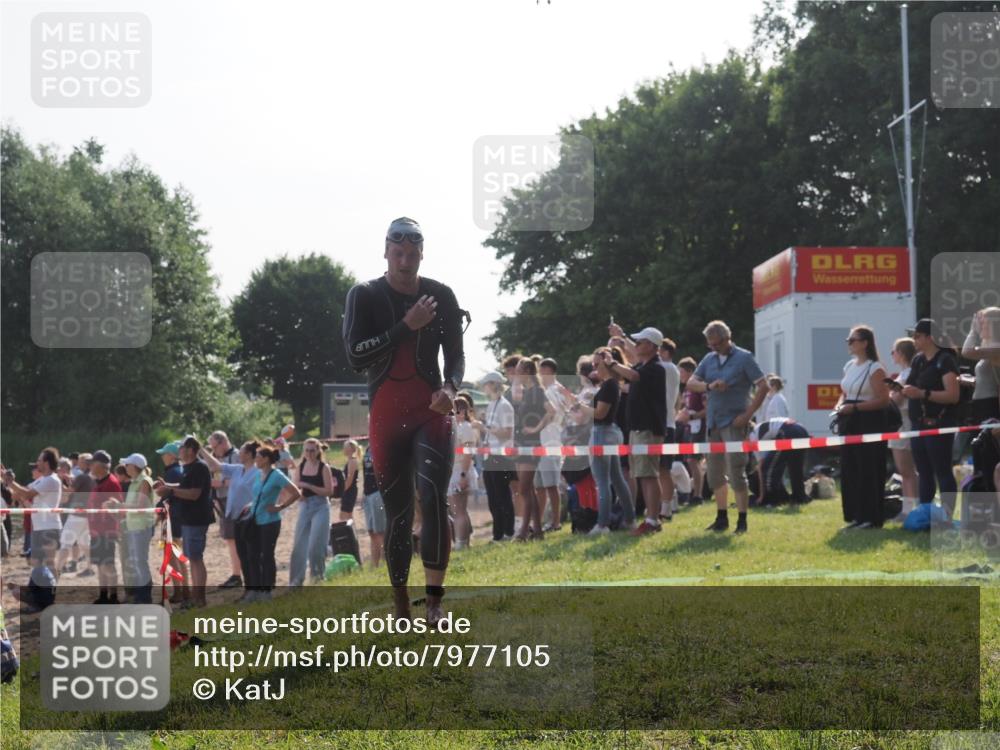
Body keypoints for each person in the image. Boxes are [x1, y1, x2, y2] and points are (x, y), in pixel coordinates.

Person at [342, 217, 465, 624]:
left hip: (431, 410)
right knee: (398, 512)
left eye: (413, 254)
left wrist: (451, 388)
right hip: (387, 414)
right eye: (398, 253)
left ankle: (434, 603)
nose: (405, 261)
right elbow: (355, 355)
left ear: (422, 255)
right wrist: (404, 327)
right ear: (386, 252)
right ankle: (399, 604)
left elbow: (456, 356)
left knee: (433, 498)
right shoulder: (364, 295)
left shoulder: (440, 294)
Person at [687, 320, 768, 534]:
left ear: (727, 339)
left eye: (717, 344)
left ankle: (742, 520)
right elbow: (691, 383)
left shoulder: (744, 358)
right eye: (710, 344)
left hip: (734, 422)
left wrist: (747, 415)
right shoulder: (709, 359)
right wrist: (709, 386)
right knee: (714, 474)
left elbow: (763, 386)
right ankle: (721, 517)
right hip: (713, 422)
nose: (714, 348)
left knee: (736, 472)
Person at [606, 326, 667, 536]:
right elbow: (633, 365)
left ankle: (652, 520)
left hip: (648, 429)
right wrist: (621, 337)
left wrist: (612, 363)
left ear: (650, 345)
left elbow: (633, 375)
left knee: (649, 475)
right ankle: (651, 518)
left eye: (640, 342)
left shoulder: (655, 368)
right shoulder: (644, 365)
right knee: (644, 474)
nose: (636, 345)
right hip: (638, 428)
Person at [834, 325, 891, 529]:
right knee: (850, 468)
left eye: (853, 340)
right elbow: (845, 393)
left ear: (865, 343)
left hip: (869, 422)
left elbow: (884, 400)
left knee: (868, 468)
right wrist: (839, 406)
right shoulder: (849, 366)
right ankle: (854, 516)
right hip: (849, 422)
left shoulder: (875, 368)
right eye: (848, 340)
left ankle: (870, 517)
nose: (849, 344)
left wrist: (856, 408)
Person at [903, 319, 961, 517]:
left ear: (930, 337)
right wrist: (902, 390)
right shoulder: (918, 360)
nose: (914, 339)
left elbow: (953, 396)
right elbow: (910, 386)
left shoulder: (945, 360)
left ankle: (947, 516)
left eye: (917, 336)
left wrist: (922, 394)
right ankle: (925, 515)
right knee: (924, 471)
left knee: (942, 470)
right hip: (918, 424)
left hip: (940, 423)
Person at [580, 347, 636, 534]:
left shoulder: (609, 385)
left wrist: (579, 406)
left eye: (597, 364)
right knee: (617, 480)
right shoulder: (612, 384)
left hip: (602, 432)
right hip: (610, 432)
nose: (594, 368)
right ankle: (629, 519)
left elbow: (599, 414)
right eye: (594, 364)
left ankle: (603, 524)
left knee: (602, 481)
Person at [154, 436, 214, 608]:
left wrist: (169, 490)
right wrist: (167, 486)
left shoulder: (199, 467)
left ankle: (199, 598)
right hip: (189, 519)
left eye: (181, 447)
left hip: (196, 519)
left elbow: (194, 493)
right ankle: (195, 598)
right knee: (192, 559)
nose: (179, 450)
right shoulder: (189, 467)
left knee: (195, 559)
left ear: (190, 450)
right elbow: (184, 487)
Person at [200, 440, 261, 601]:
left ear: (249, 455)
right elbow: (215, 466)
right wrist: (201, 449)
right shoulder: (237, 469)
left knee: (252, 555)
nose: (238, 453)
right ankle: (249, 590)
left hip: (250, 519)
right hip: (236, 518)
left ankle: (258, 590)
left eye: (242, 451)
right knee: (243, 555)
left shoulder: (257, 472)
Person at [240, 442, 302, 599]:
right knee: (252, 555)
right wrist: (251, 505)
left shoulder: (277, 475)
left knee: (266, 555)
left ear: (266, 459)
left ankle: (266, 591)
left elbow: (296, 493)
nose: (255, 460)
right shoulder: (258, 474)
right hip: (254, 520)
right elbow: (258, 495)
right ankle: (254, 590)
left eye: (258, 457)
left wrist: (280, 506)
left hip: (269, 522)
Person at [511, 357, 555, 541]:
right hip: (521, 444)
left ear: (527, 371)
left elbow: (551, 411)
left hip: (531, 444)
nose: (515, 374)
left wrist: (536, 428)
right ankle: (537, 531)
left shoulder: (537, 391)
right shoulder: (527, 392)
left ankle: (523, 531)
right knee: (528, 489)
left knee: (524, 489)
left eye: (518, 370)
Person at [2, 449, 62, 579]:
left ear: (46, 463)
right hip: (40, 526)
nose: (37, 463)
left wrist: (11, 482)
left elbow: (27, 494)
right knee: (38, 563)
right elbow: (21, 492)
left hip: (49, 527)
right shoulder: (42, 479)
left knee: (49, 562)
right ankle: (45, 587)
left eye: (39, 460)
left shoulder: (51, 480)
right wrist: (6, 478)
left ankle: (53, 588)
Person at [103, 454, 155, 603]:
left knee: (140, 562)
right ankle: (141, 595)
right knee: (137, 562)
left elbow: (140, 506)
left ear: (134, 466)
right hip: (134, 526)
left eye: (127, 465)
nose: (125, 467)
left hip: (141, 527)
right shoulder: (135, 482)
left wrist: (117, 505)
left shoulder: (144, 481)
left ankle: (144, 597)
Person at [288, 438, 336, 586]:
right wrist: (299, 494)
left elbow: (329, 491)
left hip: (321, 506)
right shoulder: (301, 466)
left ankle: (317, 579)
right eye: (307, 450)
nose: (309, 453)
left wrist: (309, 486)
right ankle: (296, 581)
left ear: (318, 451)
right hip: (305, 506)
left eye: (312, 450)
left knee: (316, 545)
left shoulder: (324, 467)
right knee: (299, 545)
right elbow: (295, 486)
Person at [478, 371, 516, 542]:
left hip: (501, 456)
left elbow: (507, 433)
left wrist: (484, 428)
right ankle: (498, 534)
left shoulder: (505, 405)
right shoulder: (492, 404)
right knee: (493, 498)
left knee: (502, 496)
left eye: (486, 384)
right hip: (490, 455)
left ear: (494, 384)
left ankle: (508, 532)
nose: (484, 387)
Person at [536, 358, 571, 532]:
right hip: (543, 441)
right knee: (541, 486)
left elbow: (554, 413)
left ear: (548, 371)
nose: (539, 374)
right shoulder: (550, 390)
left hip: (551, 440)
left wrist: (535, 426)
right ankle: (540, 521)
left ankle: (555, 522)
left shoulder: (555, 390)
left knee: (551, 485)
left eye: (541, 371)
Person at [888, 338, 919, 519]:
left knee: (906, 470)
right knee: (911, 470)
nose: (892, 355)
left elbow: (896, 401)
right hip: (905, 423)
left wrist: (888, 395)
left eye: (893, 351)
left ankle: (908, 511)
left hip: (902, 423)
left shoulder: (907, 374)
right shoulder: (907, 373)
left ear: (901, 353)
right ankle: (915, 507)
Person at [208, 431, 243, 589]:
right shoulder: (217, 457)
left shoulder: (236, 456)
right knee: (230, 539)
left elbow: (242, 478)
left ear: (223, 442)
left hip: (234, 501)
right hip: (222, 501)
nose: (212, 451)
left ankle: (237, 575)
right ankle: (237, 573)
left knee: (235, 539)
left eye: (214, 447)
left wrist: (221, 484)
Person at [154, 441, 188, 602]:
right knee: (177, 555)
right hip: (177, 517)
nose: (162, 457)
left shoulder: (173, 472)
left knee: (173, 556)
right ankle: (183, 591)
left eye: (165, 454)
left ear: (172, 456)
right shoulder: (177, 470)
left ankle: (180, 592)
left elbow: (169, 496)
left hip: (172, 517)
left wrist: (160, 501)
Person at [88, 450, 122, 603]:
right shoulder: (99, 481)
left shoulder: (111, 483)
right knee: (100, 564)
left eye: (92, 463)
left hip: (106, 531)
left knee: (108, 564)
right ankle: (103, 595)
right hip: (96, 531)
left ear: (100, 465)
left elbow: (118, 509)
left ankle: (113, 596)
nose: (90, 466)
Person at [751, 417, 810, 505]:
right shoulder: (760, 428)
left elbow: (761, 466)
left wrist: (761, 496)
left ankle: (771, 498)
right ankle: (799, 497)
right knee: (795, 467)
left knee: (768, 468)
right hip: (801, 430)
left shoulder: (752, 436)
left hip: (787, 432)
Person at [448, 396, 479, 549]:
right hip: (457, 470)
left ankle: (461, 543)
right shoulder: (459, 427)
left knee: (458, 511)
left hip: (460, 470)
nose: (454, 414)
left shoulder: (465, 427)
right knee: (460, 510)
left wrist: (463, 475)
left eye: (457, 411)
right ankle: (464, 542)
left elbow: (468, 453)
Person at [55, 454, 93, 577]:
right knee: (84, 543)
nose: (77, 464)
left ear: (86, 463)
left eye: (80, 461)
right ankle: (90, 568)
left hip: (77, 514)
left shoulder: (82, 477)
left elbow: (69, 491)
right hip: (88, 514)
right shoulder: (92, 476)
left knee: (66, 542)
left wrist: (58, 481)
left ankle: (57, 570)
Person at [962, 307, 1000, 422]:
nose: (980, 326)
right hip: (981, 404)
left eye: (983, 323)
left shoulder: (996, 348)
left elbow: (966, 352)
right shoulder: (989, 346)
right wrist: (974, 380)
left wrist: (973, 331)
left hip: (991, 404)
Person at [676, 357, 705, 503]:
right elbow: (685, 407)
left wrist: (692, 416)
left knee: (694, 460)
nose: (679, 375)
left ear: (689, 372)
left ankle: (698, 495)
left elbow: (707, 409)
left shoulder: (698, 387)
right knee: (689, 460)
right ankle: (692, 491)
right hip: (689, 427)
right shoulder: (686, 389)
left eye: (681, 372)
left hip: (699, 426)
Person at [361, 442, 387, 567]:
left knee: (381, 531)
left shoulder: (383, 445)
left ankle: (385, 562)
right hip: (368, 493)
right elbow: (365, 472)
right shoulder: (368, 447)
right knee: (371, 531)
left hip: (378, 492)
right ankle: (374, 564)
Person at [339, 440, 360, 522]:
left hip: (349, 491)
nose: (343, 449)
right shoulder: (350, 460)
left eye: (345, 447)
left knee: (344, 517)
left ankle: (349, 530)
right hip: (349, 490)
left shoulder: (352, 461)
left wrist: (340, 491)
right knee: (348, 516)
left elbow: (349, 479)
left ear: (350, 449)